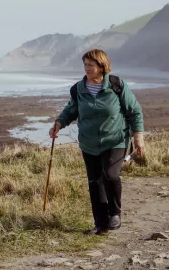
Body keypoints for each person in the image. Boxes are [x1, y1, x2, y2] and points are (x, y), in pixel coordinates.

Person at [49, 49, 145, 235]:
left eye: (91, 65)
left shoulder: (116, 85)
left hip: (115, 140)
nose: (87, 68)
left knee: (110, 175)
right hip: (89, 143)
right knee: (95, 181)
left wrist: (138, 137)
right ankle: (100, 224)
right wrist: (58, 124)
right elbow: (70, 111)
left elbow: (134, 111)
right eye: (85, 64)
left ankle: (114, 213)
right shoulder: (79, 89)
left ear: (102, 66)